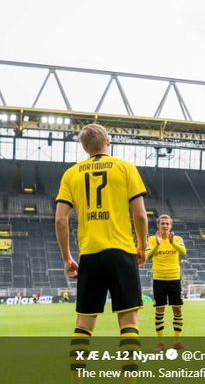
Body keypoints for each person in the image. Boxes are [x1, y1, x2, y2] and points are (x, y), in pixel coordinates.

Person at [55, 124, 148, 375]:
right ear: (108, 140)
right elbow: (140, 215)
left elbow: (60, 220)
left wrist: (67, 258)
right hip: (121, 252)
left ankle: (77, 378)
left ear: (84, 147)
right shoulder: (126, 168)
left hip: (90, 255)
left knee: (84, 323)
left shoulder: (71, 174)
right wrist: (142, 246)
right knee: (128, 321)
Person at [146, 214, 187, 351]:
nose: (165, 226)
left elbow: (184, 252)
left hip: (174, 278)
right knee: (159, 310)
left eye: (167, 224)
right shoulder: (151, 240)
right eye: (162, 223)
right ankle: (160, 343)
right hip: (159, 279)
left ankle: (177, 342)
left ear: (171, 226)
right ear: (158, 225)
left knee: (177, 310)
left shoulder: (177, 239)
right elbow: (148, 257)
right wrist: (157, 245)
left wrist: (172, 243)